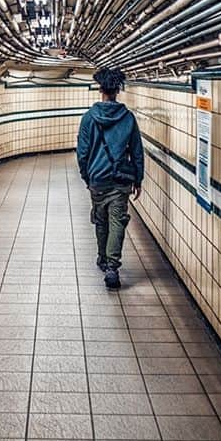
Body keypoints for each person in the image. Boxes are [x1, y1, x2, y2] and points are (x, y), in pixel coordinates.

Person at [76, 68, 145, 289]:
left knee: (100, 219)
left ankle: (102, 257)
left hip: (98, 179)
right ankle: (112, 267)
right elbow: (136, 150)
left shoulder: (89, 118)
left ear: (100, 90)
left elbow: (82, 152)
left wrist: (87, 176)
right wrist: (138, 178)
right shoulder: (128, 118)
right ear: (117, 91)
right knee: (118, 221)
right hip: (121, 178)